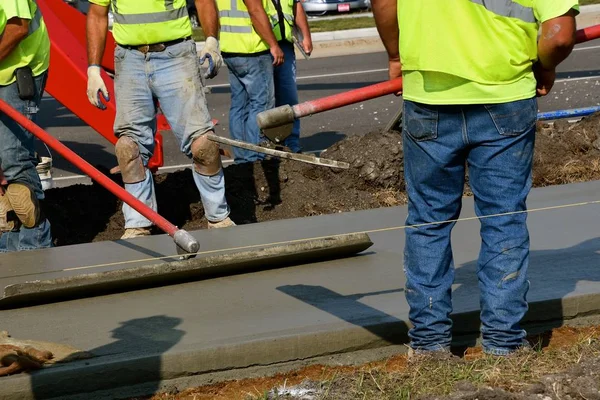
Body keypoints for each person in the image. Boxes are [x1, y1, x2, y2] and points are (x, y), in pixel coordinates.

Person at [371, 0, 578, 356]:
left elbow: (384, 3)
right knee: (503, 220)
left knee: (428, 221)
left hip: (429, 97)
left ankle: (429, 345)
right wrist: (544, 66)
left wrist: (395, 55)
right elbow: (558, 37)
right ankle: (503, 343)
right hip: (504, 97)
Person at [86, 0, 235, 239]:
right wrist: (93, 68)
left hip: (176, 55)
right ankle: (138, 222)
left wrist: (211, 41)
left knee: (204, 146)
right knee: (129, 148)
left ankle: (218, 217)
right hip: (129, 58)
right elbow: (96, 14)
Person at [0, 0, 53, 252]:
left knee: (15, 160)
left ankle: (35, 247)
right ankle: (8, 248)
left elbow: (18, 27)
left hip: (17, 74)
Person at [218, 0, 284, 163]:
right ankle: (254, 156)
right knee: (261, 104)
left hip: (231, 48)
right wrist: (273, 44)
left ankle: (242, 158)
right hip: (252, 50)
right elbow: (255, 11)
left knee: (239, 106)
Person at [272, 0, 312, 153]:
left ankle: (292, 143)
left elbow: (295, 5)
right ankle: (271, 144)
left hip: (284, 44)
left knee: (289, 98)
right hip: (260, 47)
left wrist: (305, 36)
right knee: (265, 101)